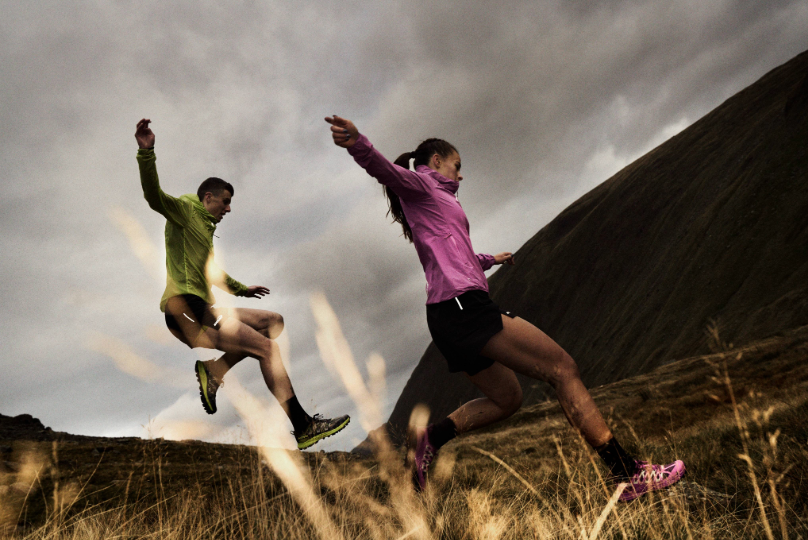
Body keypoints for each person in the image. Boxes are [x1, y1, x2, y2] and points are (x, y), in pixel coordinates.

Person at [325, 115, 685, 501]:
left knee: (507, 399)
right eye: (457, 165)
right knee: (563, 369)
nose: (461, 175)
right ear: (435, 162)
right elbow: (386, 172)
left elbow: (452, 254)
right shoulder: (424, 186)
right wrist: (358, 143)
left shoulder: (438, 201)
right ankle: (627, 473)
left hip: (448, 314)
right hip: (464, 306)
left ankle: (432, 438)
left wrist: (488, 259)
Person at [135, 118, 349, 450]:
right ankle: (303, 426)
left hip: (204, 306)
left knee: (273, 322)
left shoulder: (204, 227)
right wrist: (146, 153)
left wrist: (240, 289)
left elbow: (210, 272)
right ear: (208, 198)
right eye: (225, 202)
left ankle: (215, 371)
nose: (229, 209)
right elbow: (152, 195)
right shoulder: (183, 210)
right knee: (267, 349)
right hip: (184, 309)